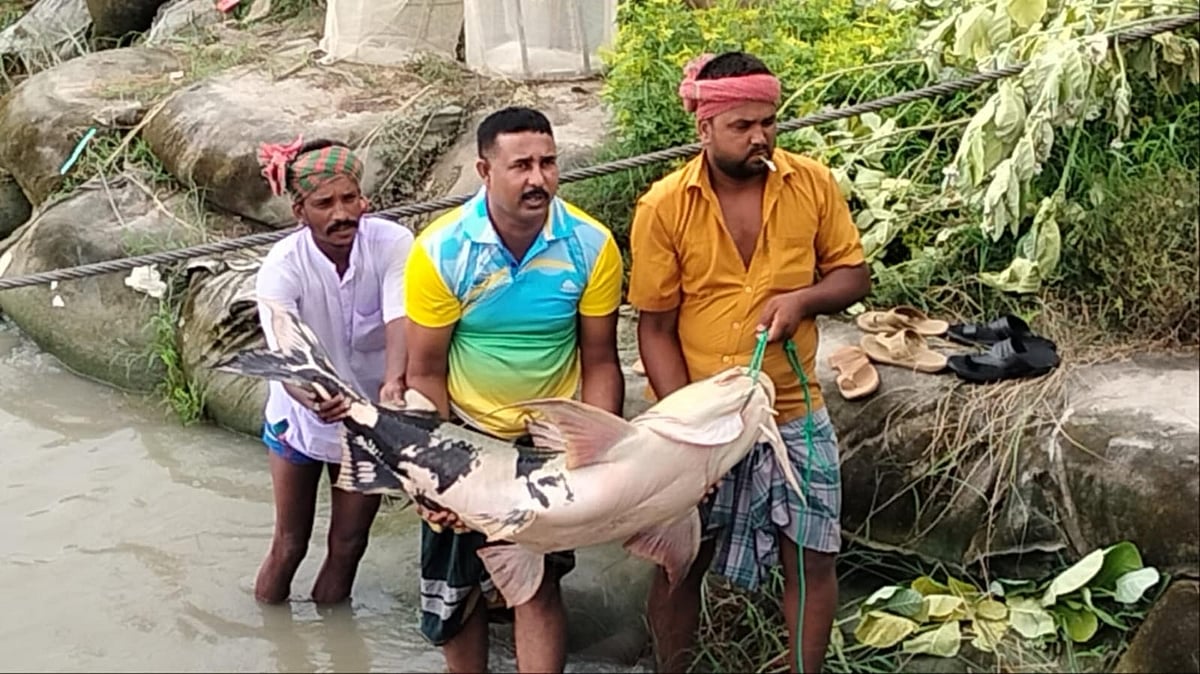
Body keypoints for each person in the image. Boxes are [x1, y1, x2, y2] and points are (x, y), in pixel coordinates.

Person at [627, 51, 872, 673]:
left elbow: (853, 273)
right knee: (681, 559)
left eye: (768, 121)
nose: (760, 136)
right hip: (699, 419)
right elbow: (654, 328)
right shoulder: (662, 206)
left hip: (792, 409)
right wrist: (685, 426)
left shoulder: (811, 182)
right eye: (741, 125)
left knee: (812, 558)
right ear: (703, 127)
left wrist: (804, 298)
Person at [403, 106, 625, 673]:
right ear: (484, 170)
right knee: (459, 594)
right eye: (521, 164)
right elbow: (424, 371)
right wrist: (437, 471)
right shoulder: (441, 250)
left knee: (539, 582)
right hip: (467, 434)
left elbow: (600, 359)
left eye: (548, 163)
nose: (538, 179)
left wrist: (594, 452)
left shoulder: (590, 246)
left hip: (547, 441)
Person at [251, 135, 413, 605]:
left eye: (349, 198)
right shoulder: (282, 266)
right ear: (300, 211)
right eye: (324, 203)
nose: (341, 213)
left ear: (364, 199)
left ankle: (333, 633)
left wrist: (395, 384)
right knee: (289, 545)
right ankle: (274, 635)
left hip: (369, 416)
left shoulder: (393, 242)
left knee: (348, 546)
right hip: (299, 416)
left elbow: (399, 314)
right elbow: (285, 353)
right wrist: (313, 396)